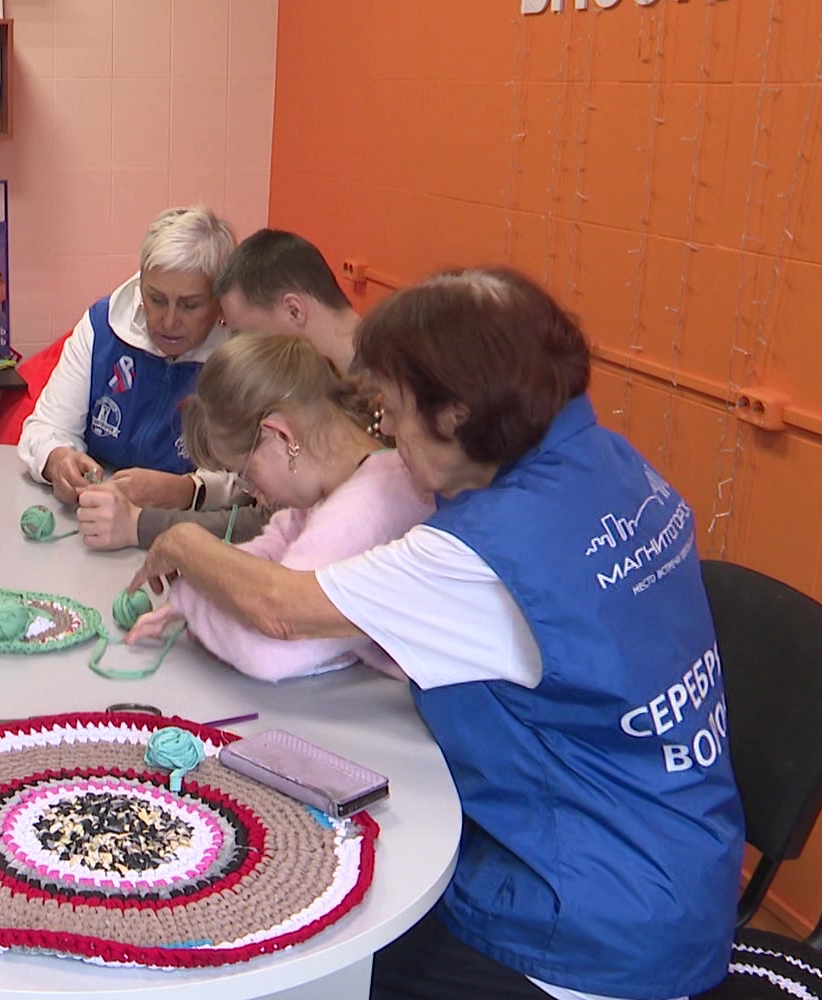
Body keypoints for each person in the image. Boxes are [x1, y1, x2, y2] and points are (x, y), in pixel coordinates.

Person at [128, 268, 743, 1000]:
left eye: (392, 412)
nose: (386, 435)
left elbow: (278, 613)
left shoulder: (481, 553)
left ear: (455, 415)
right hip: (681, 864)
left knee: (306, 948)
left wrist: (179, 543)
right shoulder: (611, 463)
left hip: (589, 924)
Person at [125, 333, 432, 681]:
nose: (255, 493)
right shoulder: (344, 480)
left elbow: (269, 651)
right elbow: (271, 552)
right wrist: (200, 587)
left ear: (281, 437)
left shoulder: (366, 510)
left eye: (246, 475)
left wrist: (193, 593)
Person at [76, 227, 357, 551]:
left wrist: (140, 525)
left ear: (294, 310)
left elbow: (274, 521)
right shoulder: (340, 376)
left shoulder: (379, 395)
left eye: (246, 334)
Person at [17, 205, 237, 509]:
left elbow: (251, 479)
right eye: (156, 299)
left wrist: (189, 491)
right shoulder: (102, 326)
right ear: (140, 286)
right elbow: (44, 428)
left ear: (220, 302)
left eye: (190, 305)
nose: (169, 321)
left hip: (187, 525)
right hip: (93, 516)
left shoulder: (237, 354)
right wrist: (55, 459)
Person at [215, 228, 359, 369]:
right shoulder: (348, 370)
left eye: (247, 339)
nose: (246, 356)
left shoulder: (369, 378)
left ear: (294, 311)